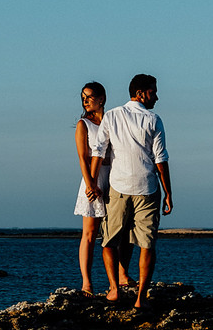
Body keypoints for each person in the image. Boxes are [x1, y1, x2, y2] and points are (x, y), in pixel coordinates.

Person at [89, 73, 172, 308]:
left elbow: (98, 151)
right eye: (153, 91)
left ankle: (114, 289)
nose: (156, 96)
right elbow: (160, 160)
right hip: (147, 188)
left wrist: (92, 183)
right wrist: (169, 193)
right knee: (147, 244)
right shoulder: (154, 119)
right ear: (141, 93)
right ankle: (140, 298)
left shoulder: (112, 116)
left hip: (119, 187)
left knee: (109, 241)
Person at [74, 81, 128, 293]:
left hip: (114, 178)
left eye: (89, 96)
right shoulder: (83, 125)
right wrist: (90, 185)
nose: (85, 101)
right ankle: (86, 283)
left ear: (102, 98)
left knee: (117, 232)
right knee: (89, 233)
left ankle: (121, 277)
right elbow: (82, 158)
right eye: (83, 97)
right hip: (92, 179)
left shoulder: (112, 121)